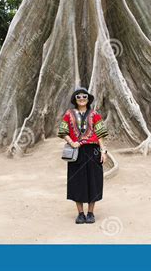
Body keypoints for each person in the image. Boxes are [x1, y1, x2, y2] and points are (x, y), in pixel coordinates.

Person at [57, 87, 108, 224]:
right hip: (77, 152)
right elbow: (63, 131)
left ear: (88, 99)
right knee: (77, 182)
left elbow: (100, 134)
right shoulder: (69, 114)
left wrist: (103, 151)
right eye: (78, 97)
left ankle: (90, 213)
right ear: (75, 99)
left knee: (94, 181)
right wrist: (71, 142)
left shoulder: (94, 114)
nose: (81, 99)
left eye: (84, 97)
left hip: (93, 151)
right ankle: (80, 214)